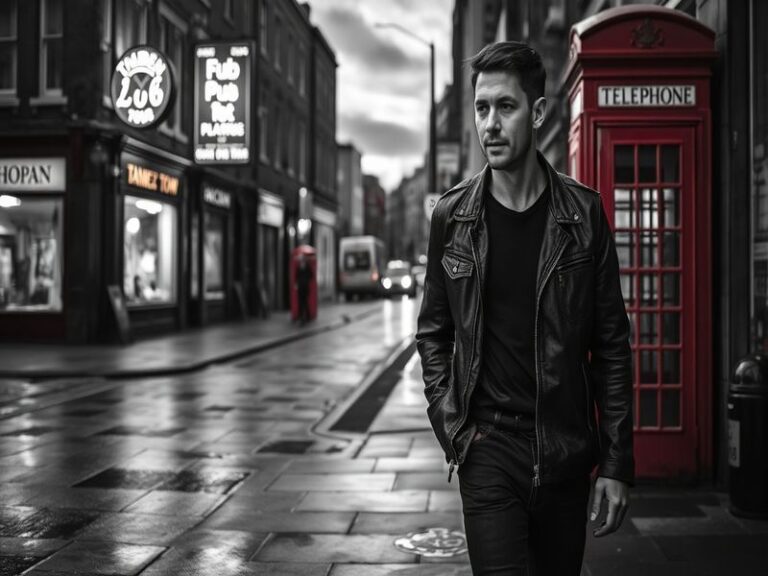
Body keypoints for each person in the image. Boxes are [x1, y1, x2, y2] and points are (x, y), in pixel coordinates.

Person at [416, 41, 633, 575]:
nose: (490, 123)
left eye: (505, 107)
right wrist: (453, 427)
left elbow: (611, 346)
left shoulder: (583, 215)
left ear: (536, 112)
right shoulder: (452, 217)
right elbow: (433, 333)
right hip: (486, 449)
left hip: (562, 450)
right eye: (481, 107)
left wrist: (616, 461)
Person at [296, 253, 312, 325]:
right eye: (301, 259)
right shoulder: (299, 267)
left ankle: (307, 316)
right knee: (300, 302)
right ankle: (300, 316)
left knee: (305, 302)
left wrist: (306, 280)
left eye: (303, 259)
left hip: (305, 287)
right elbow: (296, 276)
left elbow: (311, 275)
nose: (302, 261)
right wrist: (297, 283)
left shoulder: (307, 267)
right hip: (300, 287)